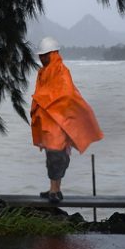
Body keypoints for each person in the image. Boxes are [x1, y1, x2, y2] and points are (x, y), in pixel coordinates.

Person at [30, 37, 103, 203]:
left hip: (59, 123)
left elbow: (67, 95)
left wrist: (46, 101)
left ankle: (55, 191)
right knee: (51, 157)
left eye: (45, 55)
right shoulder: (43, 73)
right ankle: (53, 189)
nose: (41, 58)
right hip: (48, 124)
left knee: (57, 156)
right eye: (40, 55)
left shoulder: (62, 72)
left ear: (53, 54)